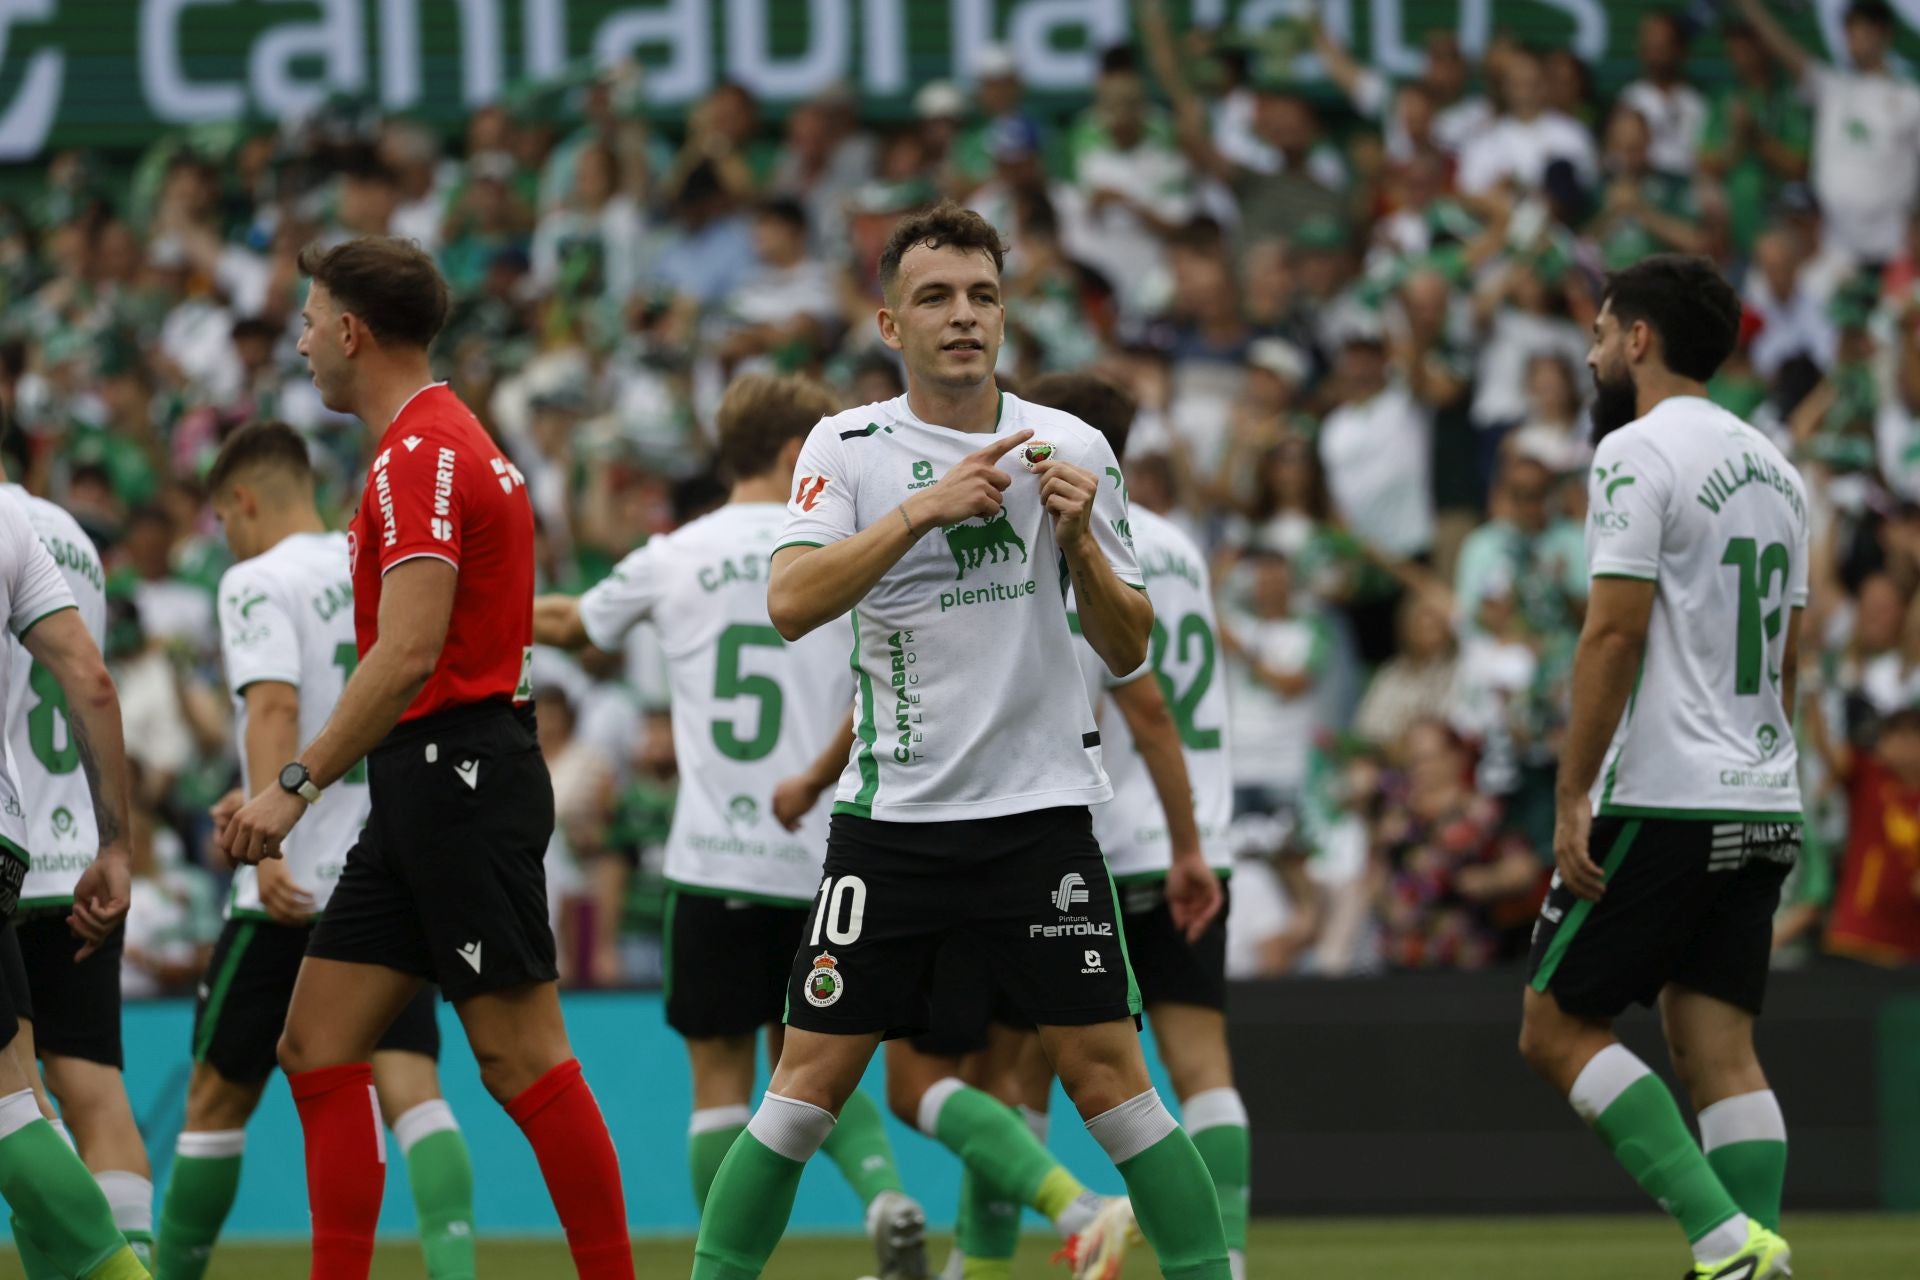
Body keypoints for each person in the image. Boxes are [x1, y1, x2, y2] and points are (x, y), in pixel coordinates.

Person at [691, 203, 1230, 1280]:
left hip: (1040, 821)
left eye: (982, 294)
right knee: (804, 1092)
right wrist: (919, 513)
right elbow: (790, 599)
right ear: (890, 322)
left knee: (1114, 1083)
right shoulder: (845, 446)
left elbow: (1128, 647)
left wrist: (1077, 541)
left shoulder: (1071, 447)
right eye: (935, 296)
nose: (963, 315)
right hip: (891, 827)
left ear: (1005, 312)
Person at [216, 237, 631, 1279]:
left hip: (459, 776)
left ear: (352, 330)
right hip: (427, 781)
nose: (302, 343)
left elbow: (404, 652)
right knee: (313, 1042)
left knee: (519, 1054)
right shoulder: (442, 444)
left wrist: (294, 787)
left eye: (309, 322)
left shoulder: (417, 455)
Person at [530, 374, 929, 1280]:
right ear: (796, 456)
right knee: (813, 1067)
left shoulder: (676, 554)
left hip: (712, 862)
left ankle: (728, 1268)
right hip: (829, 859)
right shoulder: (842, 550)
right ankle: (884, 1196)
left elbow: (571, 623)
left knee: (719, 1083)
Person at [1519, 255, 1806, 1280]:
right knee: (1715, 1042)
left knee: (1554, 1024)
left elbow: (1612, 634)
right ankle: (1754, 1256)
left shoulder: (1636, 452)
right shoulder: (1780, 470)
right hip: (1765, 790)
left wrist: (1570, 788)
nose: (1592, 348)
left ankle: (1726, 1242)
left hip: (1668, 793)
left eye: (1601, 329)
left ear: (1640, 339)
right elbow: (1791, 657)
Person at [948, 369, 1250, 1280]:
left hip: (1096, 837)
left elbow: (1129, 699)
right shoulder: (1181, 549)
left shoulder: (1072, 532)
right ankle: (1224, 1257)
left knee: (1020, 1068)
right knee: (1204, 1067)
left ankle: (982, 1261)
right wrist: (1195, 841)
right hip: (1196, 829)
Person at [157, 423, 476, 1280]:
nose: (227, 536)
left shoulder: (257, 579)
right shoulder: (374, 562)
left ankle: (173, 1271)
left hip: (291, 881)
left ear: (245, 501)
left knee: (216, 1099)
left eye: (224, 519)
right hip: (381, 874)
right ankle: (456, 1269)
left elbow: (272, 709)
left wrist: (267, 842)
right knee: (409, 1085)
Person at [1, 467, 153, 1268]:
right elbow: (91, 678)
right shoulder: (68, 540)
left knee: (12, 1109)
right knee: (83, 1086)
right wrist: (115, 841)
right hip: (58, 844)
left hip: (14, 813)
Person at [1735, 0, 1920, 267]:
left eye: (1863, 31)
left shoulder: (1910, 99)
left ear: (1884, 35)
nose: (1854, 41)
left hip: (1894, 249)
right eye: (1849, 32)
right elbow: (1783, 48)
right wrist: (1750, 7)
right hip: (1836, 249)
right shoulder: (1831, 88)